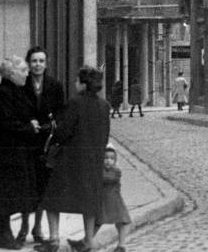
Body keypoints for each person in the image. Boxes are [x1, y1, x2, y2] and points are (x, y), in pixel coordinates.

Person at [40, 65, 111, 252]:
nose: (74, 83)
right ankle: (89, 240)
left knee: (52, 198)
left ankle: (54, 239)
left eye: (77, 80)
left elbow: (63, 131)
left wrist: (53, 140)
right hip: (94, 160)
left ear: (83, 83)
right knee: (89, 202)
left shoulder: (74, 103)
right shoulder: (104, 106)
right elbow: (105, 135)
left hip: (71, 160)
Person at [0, 56, 41, 250]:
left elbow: (22, 116)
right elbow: (6, 122)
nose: (27, 73)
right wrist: (29, 127)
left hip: (15, 152)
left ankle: (4, 233)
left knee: (12, 193)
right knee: (5, 193)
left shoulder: (17, 92)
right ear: (11, 73)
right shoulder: (1, 93)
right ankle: (3, 234)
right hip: (4, 153)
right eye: (23, 70)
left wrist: (31, 122)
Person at [19, 45, 65, 246]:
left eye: (41, 61)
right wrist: (28, 123)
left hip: (46, 144)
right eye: (34, 61)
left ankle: (37, 227)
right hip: (26, 141)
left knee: (42, 188)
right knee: (26, 187)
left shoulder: (55, 85)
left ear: (46, 64)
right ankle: (23, 226)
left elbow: (61, 113)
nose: (37, 65)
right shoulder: (22, 84)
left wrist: (52, 127)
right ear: (28, 64)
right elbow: (17, 110)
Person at [98, 146, 131, 252]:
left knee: (121, 221)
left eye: (112, 159)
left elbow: (108, 178)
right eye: (106, 158)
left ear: (115, 161)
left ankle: (121, 245)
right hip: (104, 200)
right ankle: (86, 242)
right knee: (97, 222)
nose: (108, 161)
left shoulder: (116, 172)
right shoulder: (101, 171)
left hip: (115, 200)